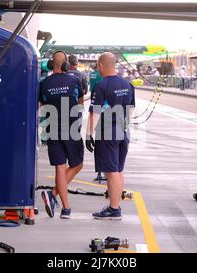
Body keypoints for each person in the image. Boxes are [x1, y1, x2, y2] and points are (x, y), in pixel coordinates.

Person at [86, 52, 135, 220]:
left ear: (100, 65)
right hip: (124, 130)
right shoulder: (127, 84)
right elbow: (131, 110)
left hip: (108, 132)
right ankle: (115, 206)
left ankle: (114, 209)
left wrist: (88, 135)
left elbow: (94, 113)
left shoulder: (101, 86)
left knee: (111, 171)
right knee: (118, 171)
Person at [39, 51, 85, 219]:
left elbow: (43, 104)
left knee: (60, 167)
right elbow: (80, 101)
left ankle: (66, 210)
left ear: (52, 64)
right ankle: (52, 194)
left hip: (52, 128)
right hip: (71, 128)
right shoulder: (74, 80)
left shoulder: (44, 84)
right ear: (66, 65)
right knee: (78, 164)